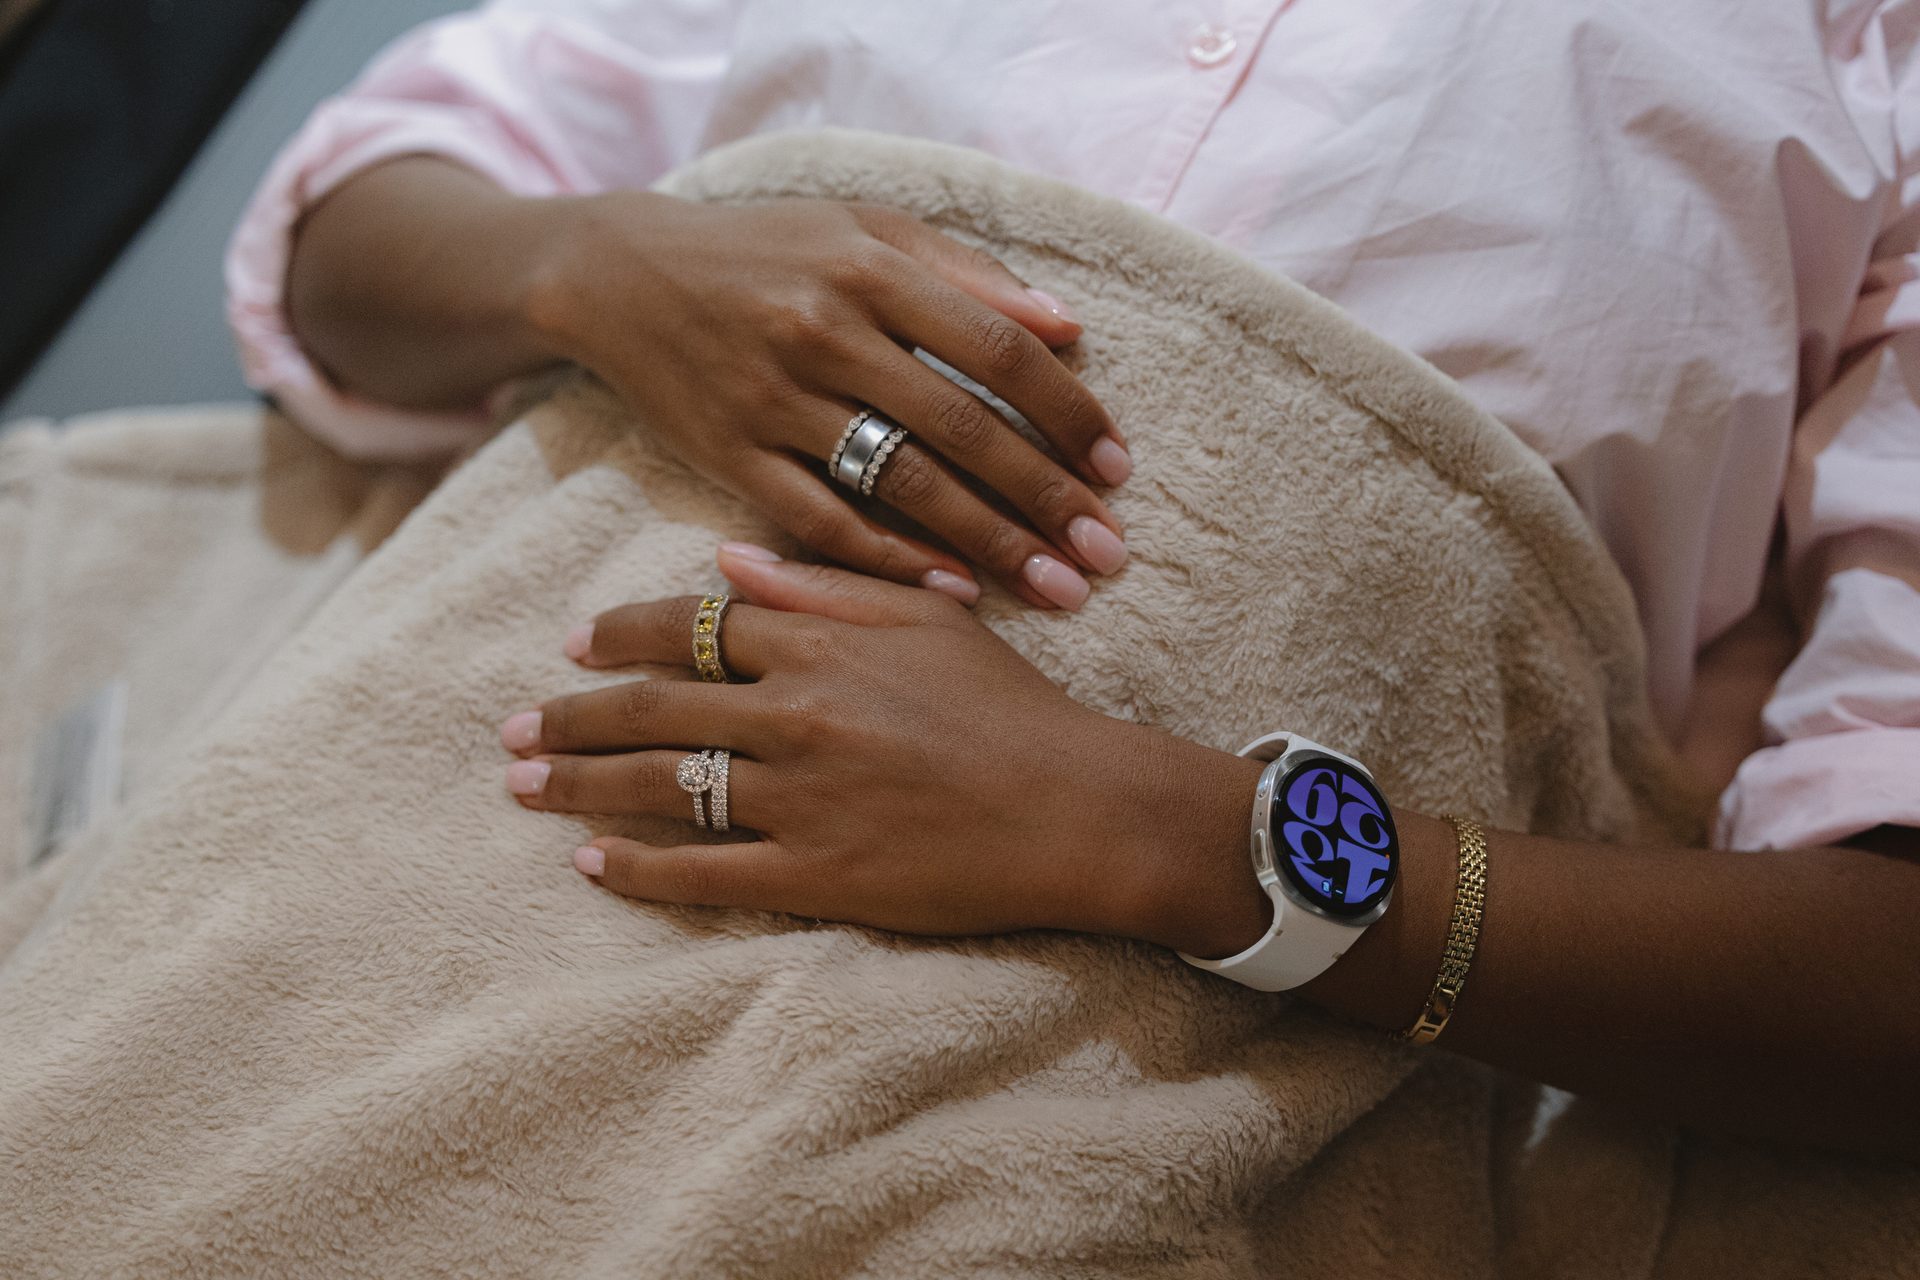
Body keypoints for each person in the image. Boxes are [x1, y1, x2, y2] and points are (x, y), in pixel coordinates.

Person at [229, 1, 1920, 1155]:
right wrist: (582, 259)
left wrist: (1173, 839)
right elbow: (337, 241)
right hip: (411, 840)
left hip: (1150, 1055)